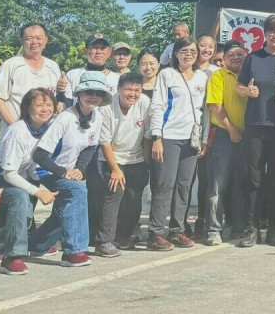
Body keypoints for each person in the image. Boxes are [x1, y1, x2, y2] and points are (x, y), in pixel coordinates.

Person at [28, 71, 112, 268]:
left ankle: (36, 244)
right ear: (79, 94)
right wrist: (64, 173)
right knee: (77, 191)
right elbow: (39, 156)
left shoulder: (97, 117)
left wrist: (80, 169)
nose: (93, 96)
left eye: (98, 93)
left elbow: (90, 147)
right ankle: (74, 251)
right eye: (88, 91)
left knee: (66, 209)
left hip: (68, 170)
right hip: (43, 170)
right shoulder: (64, 119)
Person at [0, 88, 59, 275]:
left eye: (49, 104)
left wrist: (52, 183)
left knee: (23, 222)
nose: (45, 109)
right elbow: (9, 173)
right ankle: (13, 258)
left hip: (25, 174)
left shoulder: (46, 128)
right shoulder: (17, 132)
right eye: (39, 105)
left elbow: (35, 163)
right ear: (27, 108)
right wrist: (38, 192)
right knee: (20, 197)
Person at [236, 14, 275, 247]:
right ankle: (251, 229)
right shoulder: (253, 59)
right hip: (255, 125)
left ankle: (274, 229)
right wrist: (247, 92)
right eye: (271, 31)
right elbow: (239, 86)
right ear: (265, 33)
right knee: (253, 178)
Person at [148, 36, 208, 250]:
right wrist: (157, 137)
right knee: (165, 184)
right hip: (169, 136)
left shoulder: (202, 77)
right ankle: (155, 232)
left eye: (193, 51)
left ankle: (177, 230)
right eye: (184, 51)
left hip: (191, 139)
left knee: (184, 185)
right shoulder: (167, 74)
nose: (189, 54)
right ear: (175, 53)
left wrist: (204, 138)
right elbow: (157, 106)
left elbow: (205, 111)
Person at [87, 72, 152, 257]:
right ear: (118, 89)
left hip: (136, 158)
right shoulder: (106, 107)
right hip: (111, 157)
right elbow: (105, 142)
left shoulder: (144, 103)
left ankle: (123, 237)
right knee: (115, 193)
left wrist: (145, 163)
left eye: (136, 90)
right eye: (128, 89)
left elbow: (147, 136)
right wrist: (115, 169)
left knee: (134, 197)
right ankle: (104, 241)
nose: (132, 94)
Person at [203, 40, 248, 245]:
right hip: (224, 135)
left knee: (241, 185)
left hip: (248, 138)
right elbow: (215, 105)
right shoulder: (218, 75)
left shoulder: (249, 76)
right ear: (224, 58)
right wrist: (232, 130)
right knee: (217, 185)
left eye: (240, 54)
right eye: (232, 54)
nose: (236, 57)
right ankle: (213, 229)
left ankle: (238, 227)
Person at [0, 22, 62, 138]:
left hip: (45, 139)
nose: (34, 42)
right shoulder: (11, 65)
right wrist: (14, 128)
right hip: (15, 137)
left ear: (46, 40)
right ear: (22, 41)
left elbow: (57, 100)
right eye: (29, 38)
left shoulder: (53, 67)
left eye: (39, 38)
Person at [192, 33, 220, 239]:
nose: (207, 50)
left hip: (211, 131)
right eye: (202, 45)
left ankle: (204, 219)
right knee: (185, 180)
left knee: (207, 178)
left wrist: (208, 136)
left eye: (211, 46)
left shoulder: (217, 72)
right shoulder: (186, 70)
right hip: (188, 130)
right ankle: (181, 222)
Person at [64, 33, 120, 105]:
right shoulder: (72, 74)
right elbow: (67, 103)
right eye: (94, 48)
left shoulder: (117, 79)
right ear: (85, 51)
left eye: (103, 48)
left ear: (109, 52)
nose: (99, 52)